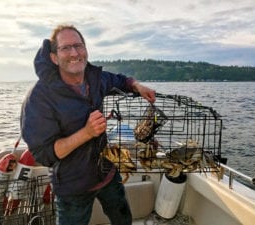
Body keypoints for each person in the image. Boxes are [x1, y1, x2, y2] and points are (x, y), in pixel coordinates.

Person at [21, 24, 156, 225]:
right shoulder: (39, 98)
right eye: (65, 48)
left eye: (78, 45)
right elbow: (44, 153)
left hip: (107, 173)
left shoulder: (95, 78)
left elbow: (119, 80)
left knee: (123, 219)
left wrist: (136, 85)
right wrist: (86, 132)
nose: (74, 53)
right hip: (72, 186)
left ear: (86, 49)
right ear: (54, 57)